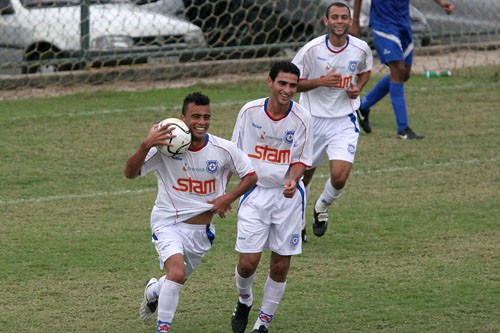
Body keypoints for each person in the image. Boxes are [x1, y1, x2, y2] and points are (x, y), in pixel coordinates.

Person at [124, 92, 258, 333]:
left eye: (206, 117)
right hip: (167, 223)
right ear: (182, 117)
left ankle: (153, 291)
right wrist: (146, 144)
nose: (201, 122)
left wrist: (228, 197)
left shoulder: (223, 149)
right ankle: (163, 328)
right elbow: (130, 173)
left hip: (200, 232)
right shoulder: (165, 148)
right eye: (195, 116)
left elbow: (250, 175)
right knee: (176, 272)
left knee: (176, 279)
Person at [230, 61, 313, 333]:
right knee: (247, 263)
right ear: (270, 82)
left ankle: (263, 322)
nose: (287, 90)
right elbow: (234, 154)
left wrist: (293, 178)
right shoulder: (249, 112)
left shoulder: (302, 118)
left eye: (292, 85)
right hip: (254, 193)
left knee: (279, 264)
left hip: (287, 199)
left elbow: (302, 160)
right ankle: (244, 300)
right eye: (282, 83)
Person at [291, 2, 373, 240]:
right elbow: (293, 83)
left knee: (339, 176)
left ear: (349, 21)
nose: (339, 21)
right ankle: (298, 223)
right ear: (326, 21)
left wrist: (358, 87)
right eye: (334, 17)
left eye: (344, 17)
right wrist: (320, 81)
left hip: (343, 120)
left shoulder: (360, 48)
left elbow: (365, 70)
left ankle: (321, 207)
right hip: (312, 120)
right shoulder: (311, 49)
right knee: (303, 175)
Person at [351, 0, 455, 139]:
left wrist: (441, 3)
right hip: (383, 25)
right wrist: (355, 22)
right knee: (398, 71)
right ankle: (403, 129)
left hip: (403, 24)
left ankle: (363, 106)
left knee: (404, 74)